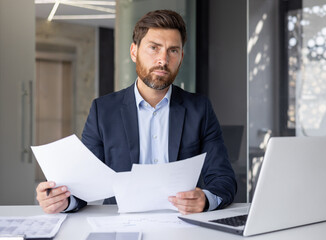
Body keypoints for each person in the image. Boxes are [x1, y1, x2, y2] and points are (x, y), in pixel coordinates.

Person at [36, 9, 237, 215]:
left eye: (173, 51)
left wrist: (205, 200)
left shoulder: (199, 109)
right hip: (120, 224)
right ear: (134, 52)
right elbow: (84, 184)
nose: (163, 60)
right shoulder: (103, 111)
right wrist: (61, 200)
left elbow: (223, 179)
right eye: (154, 48)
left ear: (181, 56)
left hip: (183, 224)